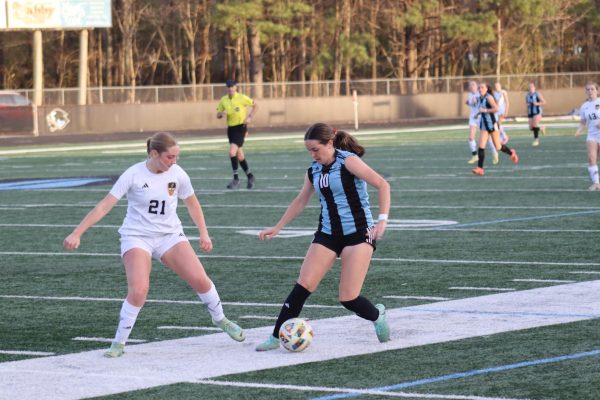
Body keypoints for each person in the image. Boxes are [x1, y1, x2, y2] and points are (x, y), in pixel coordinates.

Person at [63, 131, 245, 357]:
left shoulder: (177, 174)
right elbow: (104, 206)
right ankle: (119, 343)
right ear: (153, 153)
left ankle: (221, 319)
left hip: (170, 236)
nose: (174, 161)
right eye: (170, 157)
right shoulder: (133, 174)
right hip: (137, 236)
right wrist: (77, 233)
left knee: (201, 280)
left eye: (177, 157)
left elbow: (192, 204)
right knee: (139, 290)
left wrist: (204, 234)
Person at [254, 123, 391, 351]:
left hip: (358, 234)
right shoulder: (313, 170)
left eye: (316, 149)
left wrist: (383, 220)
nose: (312, 155)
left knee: (348, 298)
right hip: (327, 233)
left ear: (330, 143)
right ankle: (276, 336)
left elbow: (382, 185)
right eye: (309, 150)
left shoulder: (348, 161)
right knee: (303, 285)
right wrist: (278, 227)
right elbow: (301, 201)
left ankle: (378, 316)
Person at [216, 79, 258, 189]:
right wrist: (221, 114)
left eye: (232, 86)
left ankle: (236, 179)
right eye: (228, 86)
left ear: (236, 87)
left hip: (241, 127)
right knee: (239, 155)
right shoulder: (224, 100)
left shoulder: (242, 97)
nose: (230, 88)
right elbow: (218, 114)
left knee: (232, 152)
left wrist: (249, 117)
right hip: (231, 129)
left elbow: (255, 106)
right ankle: (250, 176)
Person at [472, 83, 519, 176]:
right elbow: (482, 110)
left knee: (498, 147)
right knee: (481, 146)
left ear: (486, 89)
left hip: (493, 125)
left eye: (482, 87)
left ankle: (511, 153)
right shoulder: (480, 98)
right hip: (484, 125)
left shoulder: (489, 97)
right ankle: (480, 169)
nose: (480, 89)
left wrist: (484, 111)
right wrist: (477, 114)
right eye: (479, 87)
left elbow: (496, 109)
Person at [575, 82, 600, 191]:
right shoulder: (584, 106)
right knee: (591, 158)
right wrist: (578, 131)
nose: (590, 91)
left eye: (592, 89)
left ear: (597, 90)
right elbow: (583, 122)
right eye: (588, 89)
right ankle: (596, 183)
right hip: (592, 135)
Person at [466, 80, 498, 164]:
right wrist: (468, 102)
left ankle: (495, 153)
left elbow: (480, 103)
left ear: (477, 87)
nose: (471, 86)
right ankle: (474, 155)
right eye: (470, 85)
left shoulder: (480, 94)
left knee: (488, 139)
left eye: (473, 85)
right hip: (473, 118)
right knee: (471, 137)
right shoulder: (469, 95)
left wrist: (475, 102)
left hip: (481, 118)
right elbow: (470, 103)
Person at [526, 82, 546, 146]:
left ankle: (536, 140)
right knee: (531, 128)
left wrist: (537, 103)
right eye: (529, 87)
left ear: (534, 87)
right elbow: (526, 103)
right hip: (530, 112)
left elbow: (544, 102)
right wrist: (528, 104)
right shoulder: (527, 95)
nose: (530, 88)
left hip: (537, 112)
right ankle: (542, 128)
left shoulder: (537, 94)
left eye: (532, 87)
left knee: (534, 126)